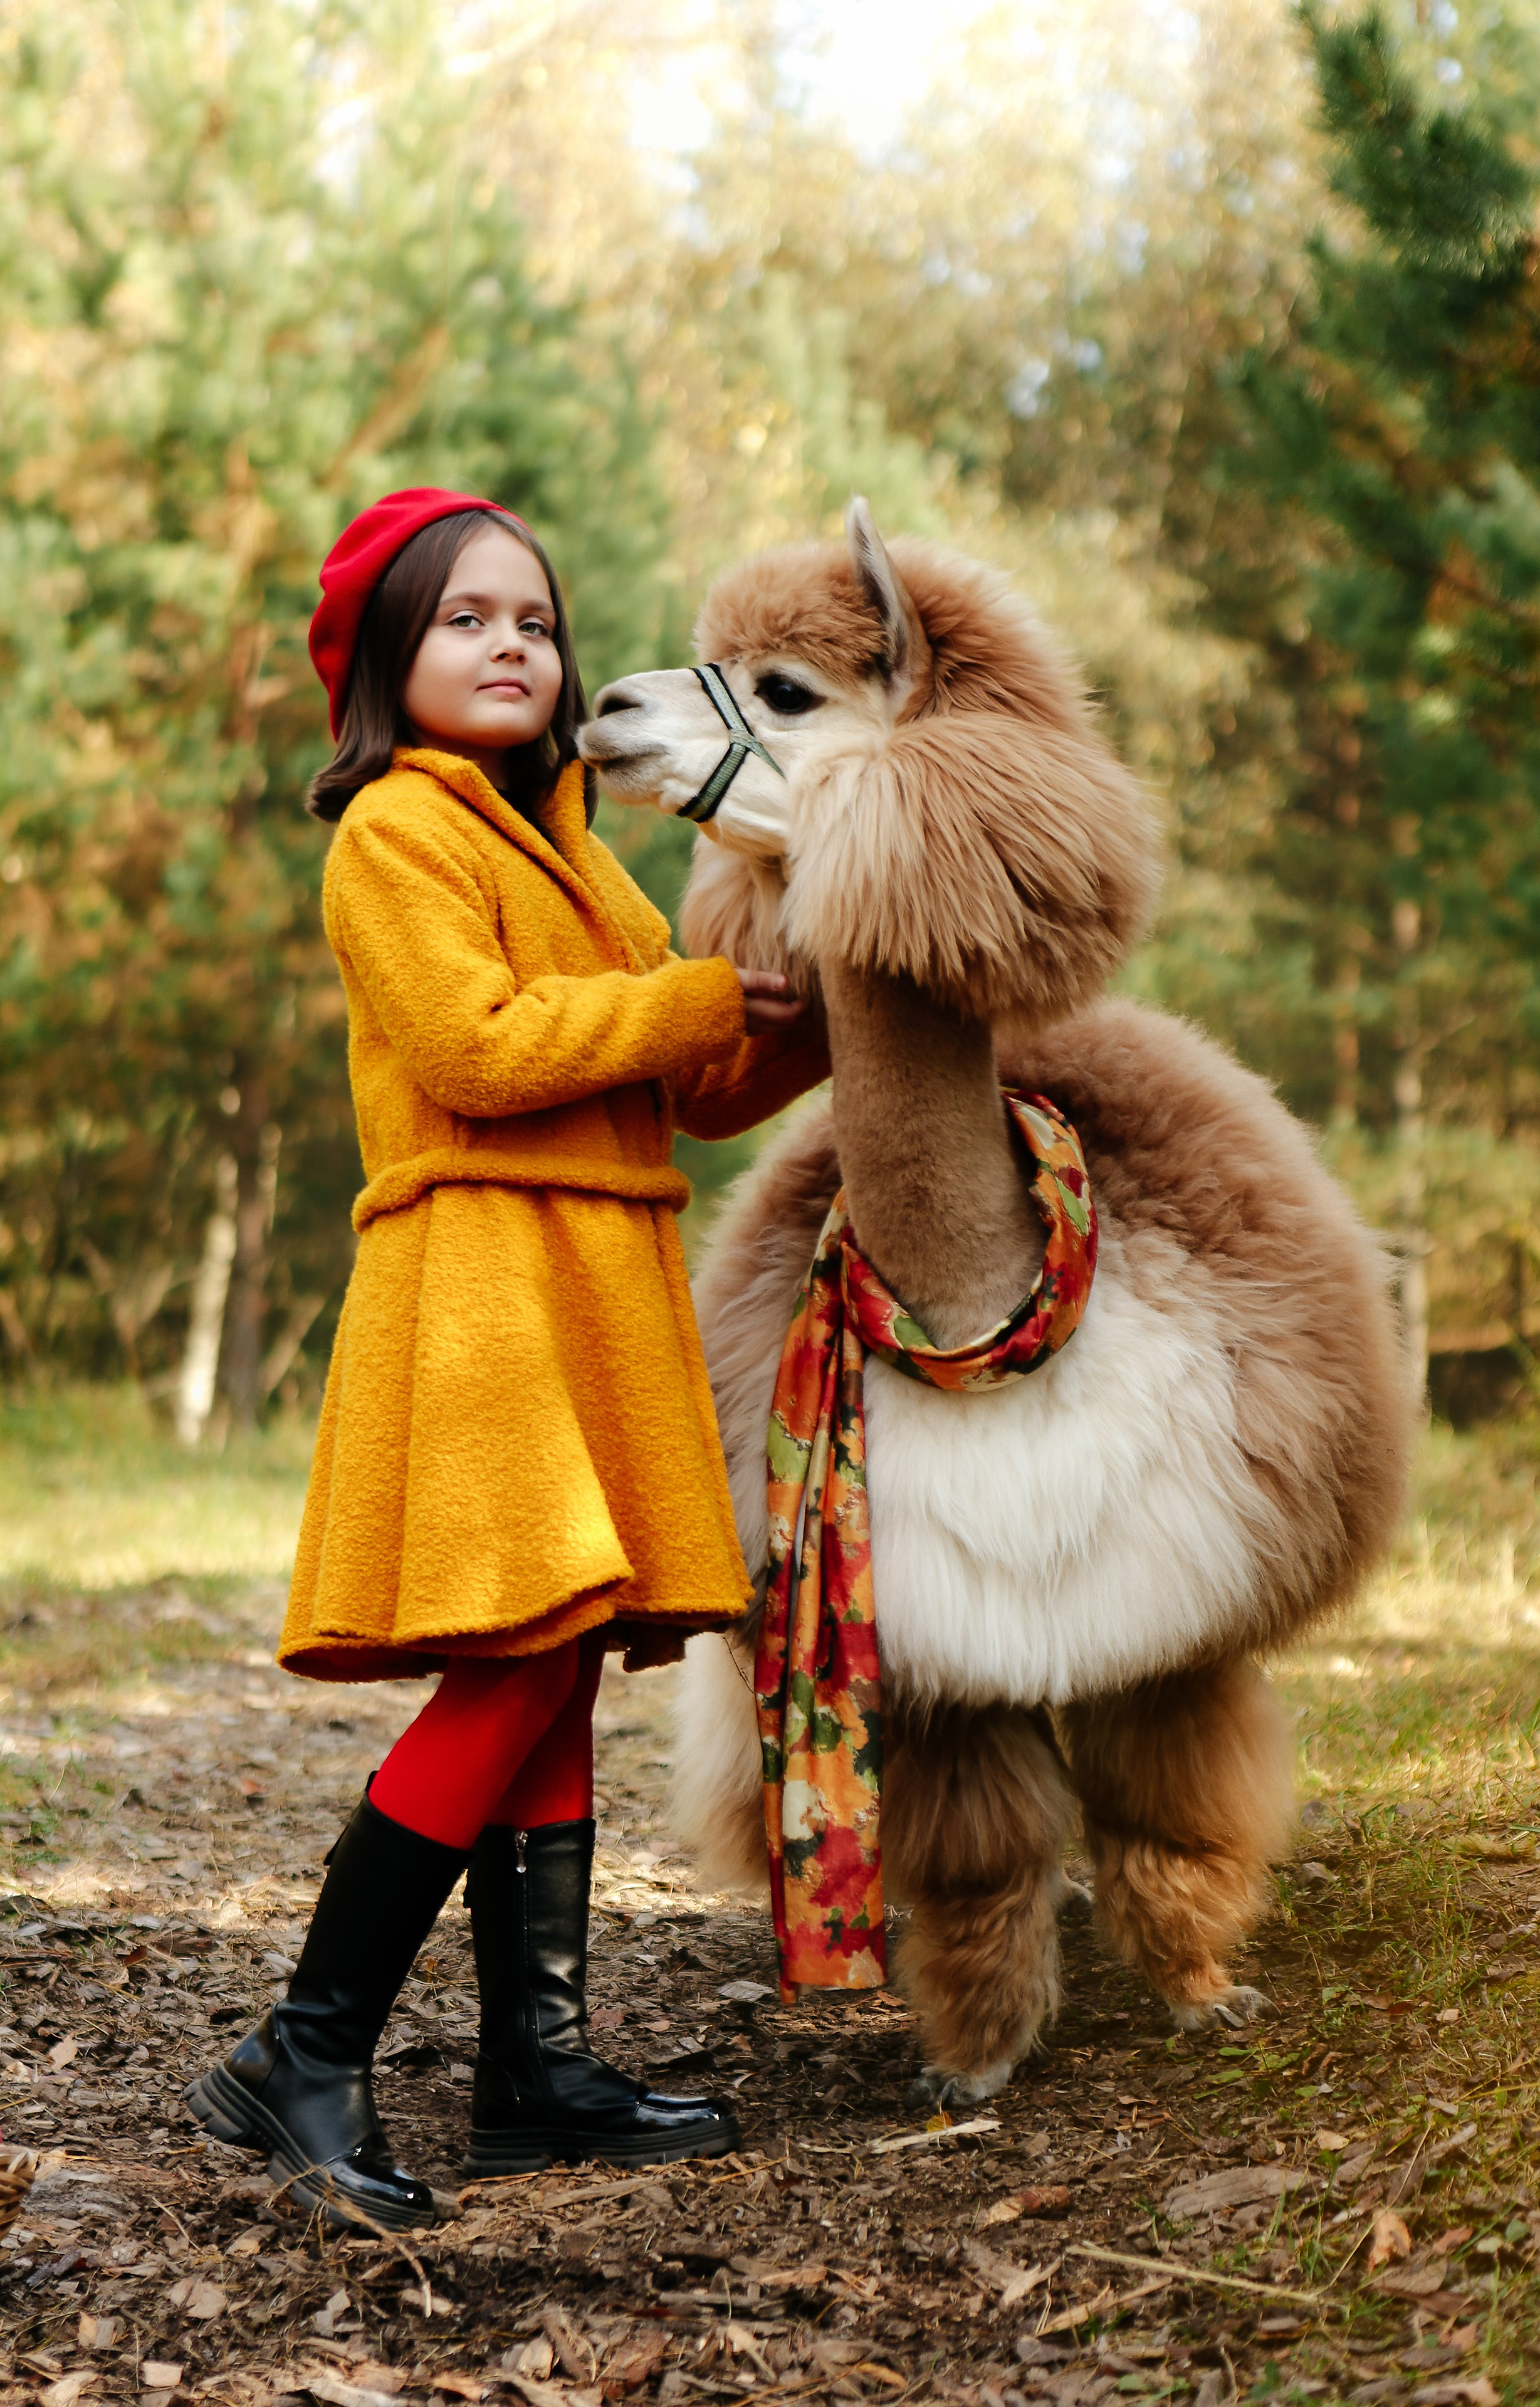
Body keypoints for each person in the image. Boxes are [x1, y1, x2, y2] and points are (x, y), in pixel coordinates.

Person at [185, 488, 827, 2230]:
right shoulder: (397, 833)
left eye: (535, 622)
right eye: (469, 618)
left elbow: (685, 1085)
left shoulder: (580, 856)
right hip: (483, 1276)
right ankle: (298, 2055)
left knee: (560, 1665)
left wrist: (803, 1022)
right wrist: (695, 1005)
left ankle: (534, 2070)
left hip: (593, 1273)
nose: (514, 646)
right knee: (513, 1658)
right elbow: (475, 1048)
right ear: (391, 657)